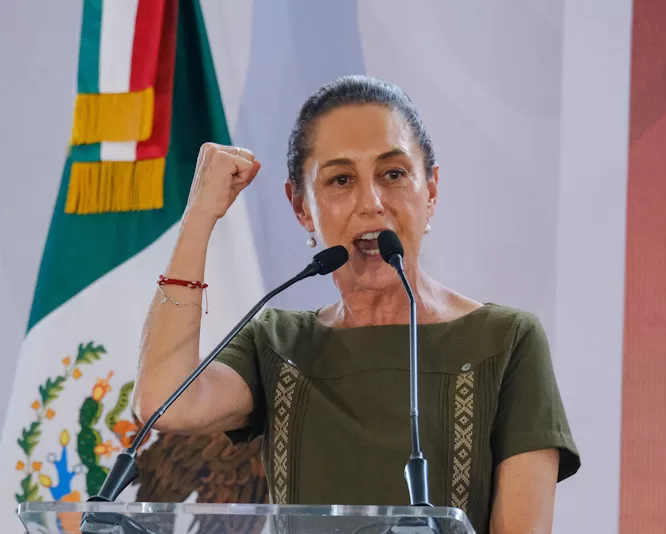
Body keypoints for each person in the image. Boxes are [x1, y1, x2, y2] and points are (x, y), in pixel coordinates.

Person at [133, 75, 580, 534]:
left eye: (393, 174)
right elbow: (165, 404)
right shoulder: (278, 342)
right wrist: (198, 217)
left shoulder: (506, 340)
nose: (372, 203)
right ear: (302, 207)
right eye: (341, 179)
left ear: (431, 189)